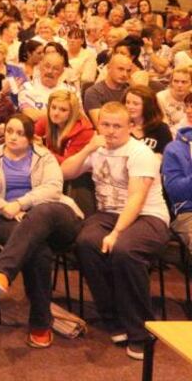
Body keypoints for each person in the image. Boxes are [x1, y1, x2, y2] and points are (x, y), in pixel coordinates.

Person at [61, 102, 171, 360]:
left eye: (117, 126)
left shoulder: (140, 153)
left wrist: (116, 232)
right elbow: (65, 172)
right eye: (106, 125)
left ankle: (142, 331)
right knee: (86, 242)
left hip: (148, 216)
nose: (110, 131)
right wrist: (88, 148)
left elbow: (137, 199)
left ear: (130, 127)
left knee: (125, 250)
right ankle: (114, 318)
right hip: (108, 214)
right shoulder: (97, 148)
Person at [0, 114, 84, 348]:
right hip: (6, 217)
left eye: (20, 133)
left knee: (42, 212)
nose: (13, 137)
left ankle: (4, 269)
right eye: (10, 131)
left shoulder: (45, 157)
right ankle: (40, 324)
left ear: (31, 137)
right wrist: (4, 207)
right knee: (38, 251)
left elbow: (53, 188)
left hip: (55, 216)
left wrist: (21, 204)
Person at [162, 97, 192, 251]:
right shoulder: (174, 149)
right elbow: (176, 191)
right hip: (188, 212)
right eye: (189, 106)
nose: (190, 111)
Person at [83, 53, 132, 126]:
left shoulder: (131, 92)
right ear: (108, 68)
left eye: (128, 71)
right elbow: (101, 125)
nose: (125, 74)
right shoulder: (94, 92)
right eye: (120, 69)